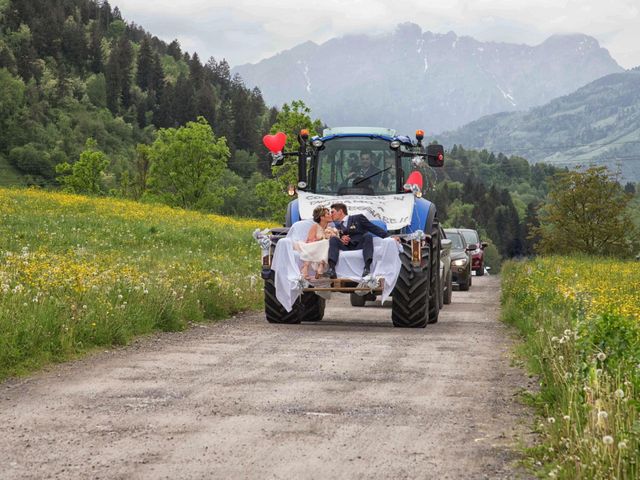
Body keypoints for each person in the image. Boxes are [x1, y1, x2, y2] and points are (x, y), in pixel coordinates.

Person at [326, 202, 389, 279]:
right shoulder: (338, 226)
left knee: (368, 236)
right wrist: (342, 238)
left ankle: (367, 268)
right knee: (333, 239)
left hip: (360, 244)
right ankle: (332, 269)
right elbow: (341, 236)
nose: (331, 214)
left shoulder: (358, 218)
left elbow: (373, 228)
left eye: (332, 212)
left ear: (340, 211)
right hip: (347, 246)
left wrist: (389, 237)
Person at [294, 206, 338, 279]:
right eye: (328, 214)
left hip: (322, 247)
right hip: (311, 246)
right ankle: (312, 267)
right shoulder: (315, 226)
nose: (330, 215)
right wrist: (321, 239)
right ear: (322, 217)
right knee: (325, 243)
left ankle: (321, 266)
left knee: (327, 243)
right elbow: (310, 240)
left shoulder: (330, 228)